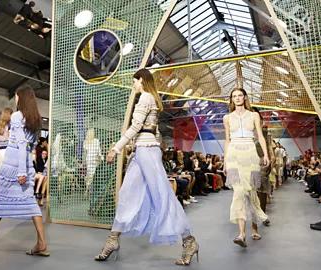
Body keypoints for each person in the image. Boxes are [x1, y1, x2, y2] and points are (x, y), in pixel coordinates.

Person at [94, 69, 198, 266]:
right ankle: (113, 240)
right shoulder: (152, 99)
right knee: (127, 194)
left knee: (162, 195)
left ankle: (189, 241)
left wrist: (115, 149)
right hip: (142, 151)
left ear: (141, 79)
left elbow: (135, 127)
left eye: (134, 81)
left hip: (146, 151)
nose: (133, 85)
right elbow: (149, 131)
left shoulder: (145, 97)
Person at [0, 85, 49, 257]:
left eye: (16, 96)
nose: (15, 99)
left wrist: (21, 171)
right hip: (27, 163)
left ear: (20, 98)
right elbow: (30, 146)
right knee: (31, 203)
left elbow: (21, 144)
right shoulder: (36, 119)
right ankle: (41, 243)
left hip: (14, 163)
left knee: (0, 200)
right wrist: (26, 168)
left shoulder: (16, 116)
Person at [222, 88, 269, 248]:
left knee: (251, 191)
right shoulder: (227, 118)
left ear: (245, 97)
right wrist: (225, 161)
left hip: (250, 153)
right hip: (234, 153)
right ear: (231, 99)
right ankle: (242, 234)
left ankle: (254, 227)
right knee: (239, 192)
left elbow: (260, 136)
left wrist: (267, 154)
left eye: (240, 95)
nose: (237, 98)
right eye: (234, 96)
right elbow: (227, 140)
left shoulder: (254, 115)